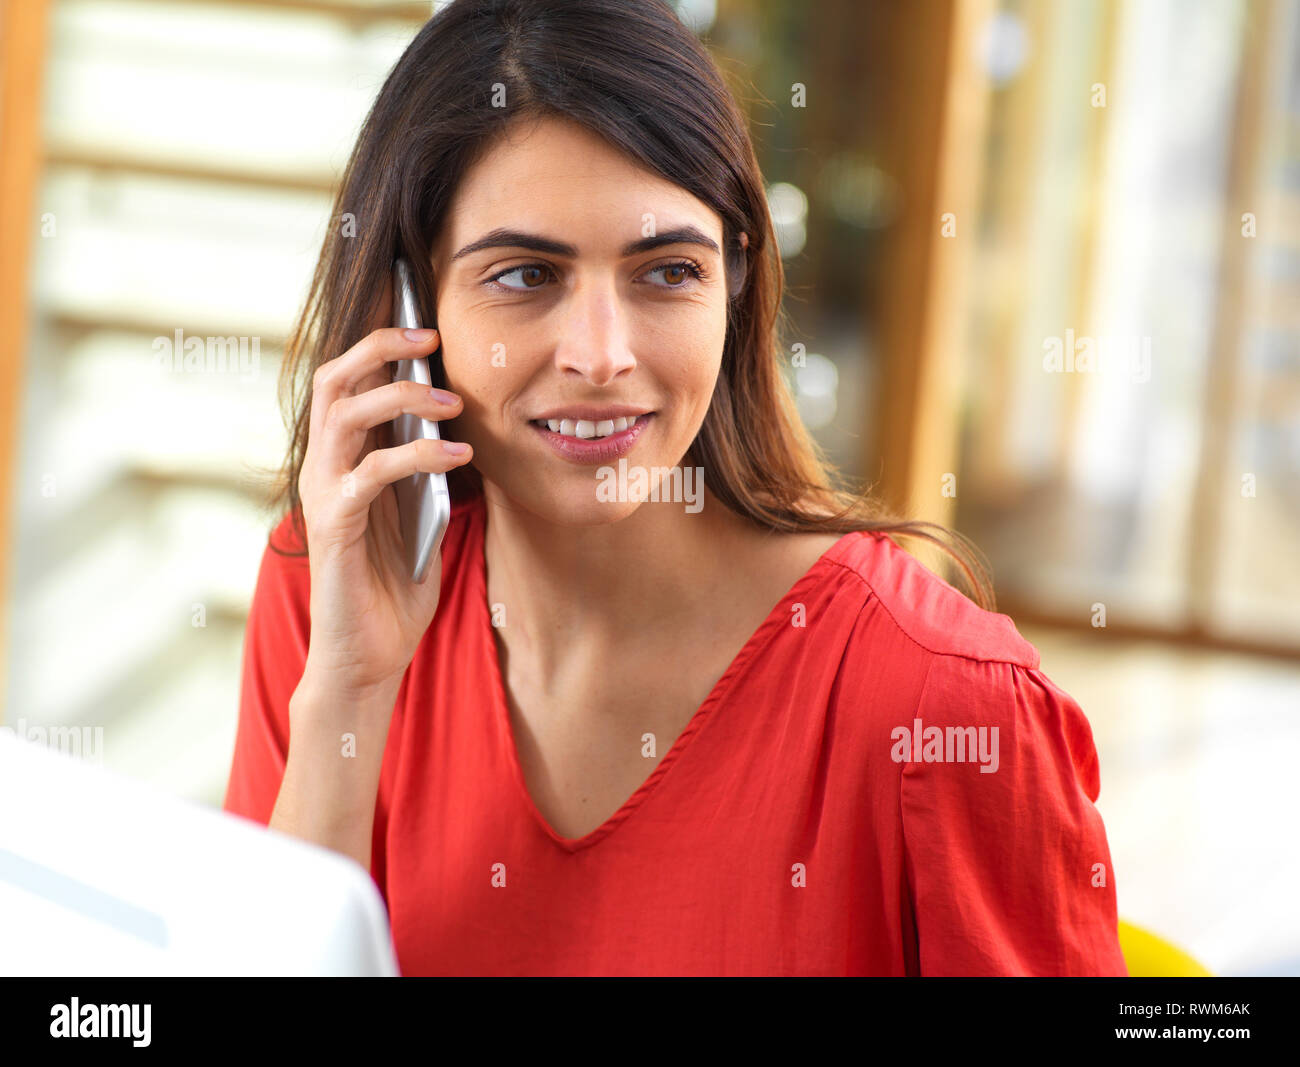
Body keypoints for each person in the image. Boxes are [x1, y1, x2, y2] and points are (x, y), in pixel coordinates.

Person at [223, 0, 1127, 977]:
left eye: (665, 272)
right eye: (526, 275)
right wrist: (348, 696)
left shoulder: (941, 704)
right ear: (408, 303)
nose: (602, 356)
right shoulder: (328, 601)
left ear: (734, 287)